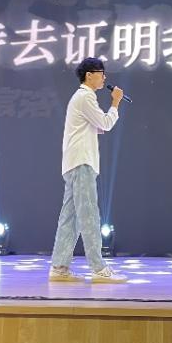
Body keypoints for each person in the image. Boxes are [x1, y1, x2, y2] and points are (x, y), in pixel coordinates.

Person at [48, 57, 127, 283]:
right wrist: (115, 103)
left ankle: (59, 267)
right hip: (81, 162)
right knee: (89, 215)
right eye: (101, 73)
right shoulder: (85, 97)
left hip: (75, 162)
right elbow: (105, 123)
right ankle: (98, 268)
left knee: (70, 218)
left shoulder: (82, 98)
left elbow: (95, 126)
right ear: (89, 75)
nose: (104, 77)